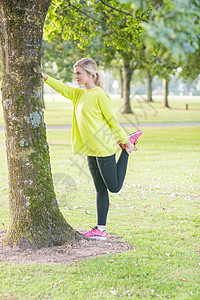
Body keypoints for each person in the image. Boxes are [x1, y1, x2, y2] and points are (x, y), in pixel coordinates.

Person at [41, 58, 142, 240]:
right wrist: (44, 76)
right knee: (100, 189)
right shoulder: (79, 95)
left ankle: (126, 151)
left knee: (114, 187)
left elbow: (112, 120)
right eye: (75, 73)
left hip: (103, 148)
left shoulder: (99, 95)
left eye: (79, 73)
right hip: (90, 150)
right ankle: (100, 229)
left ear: (90, 74)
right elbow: (62, 88)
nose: (76, 77)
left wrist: (125, 140)